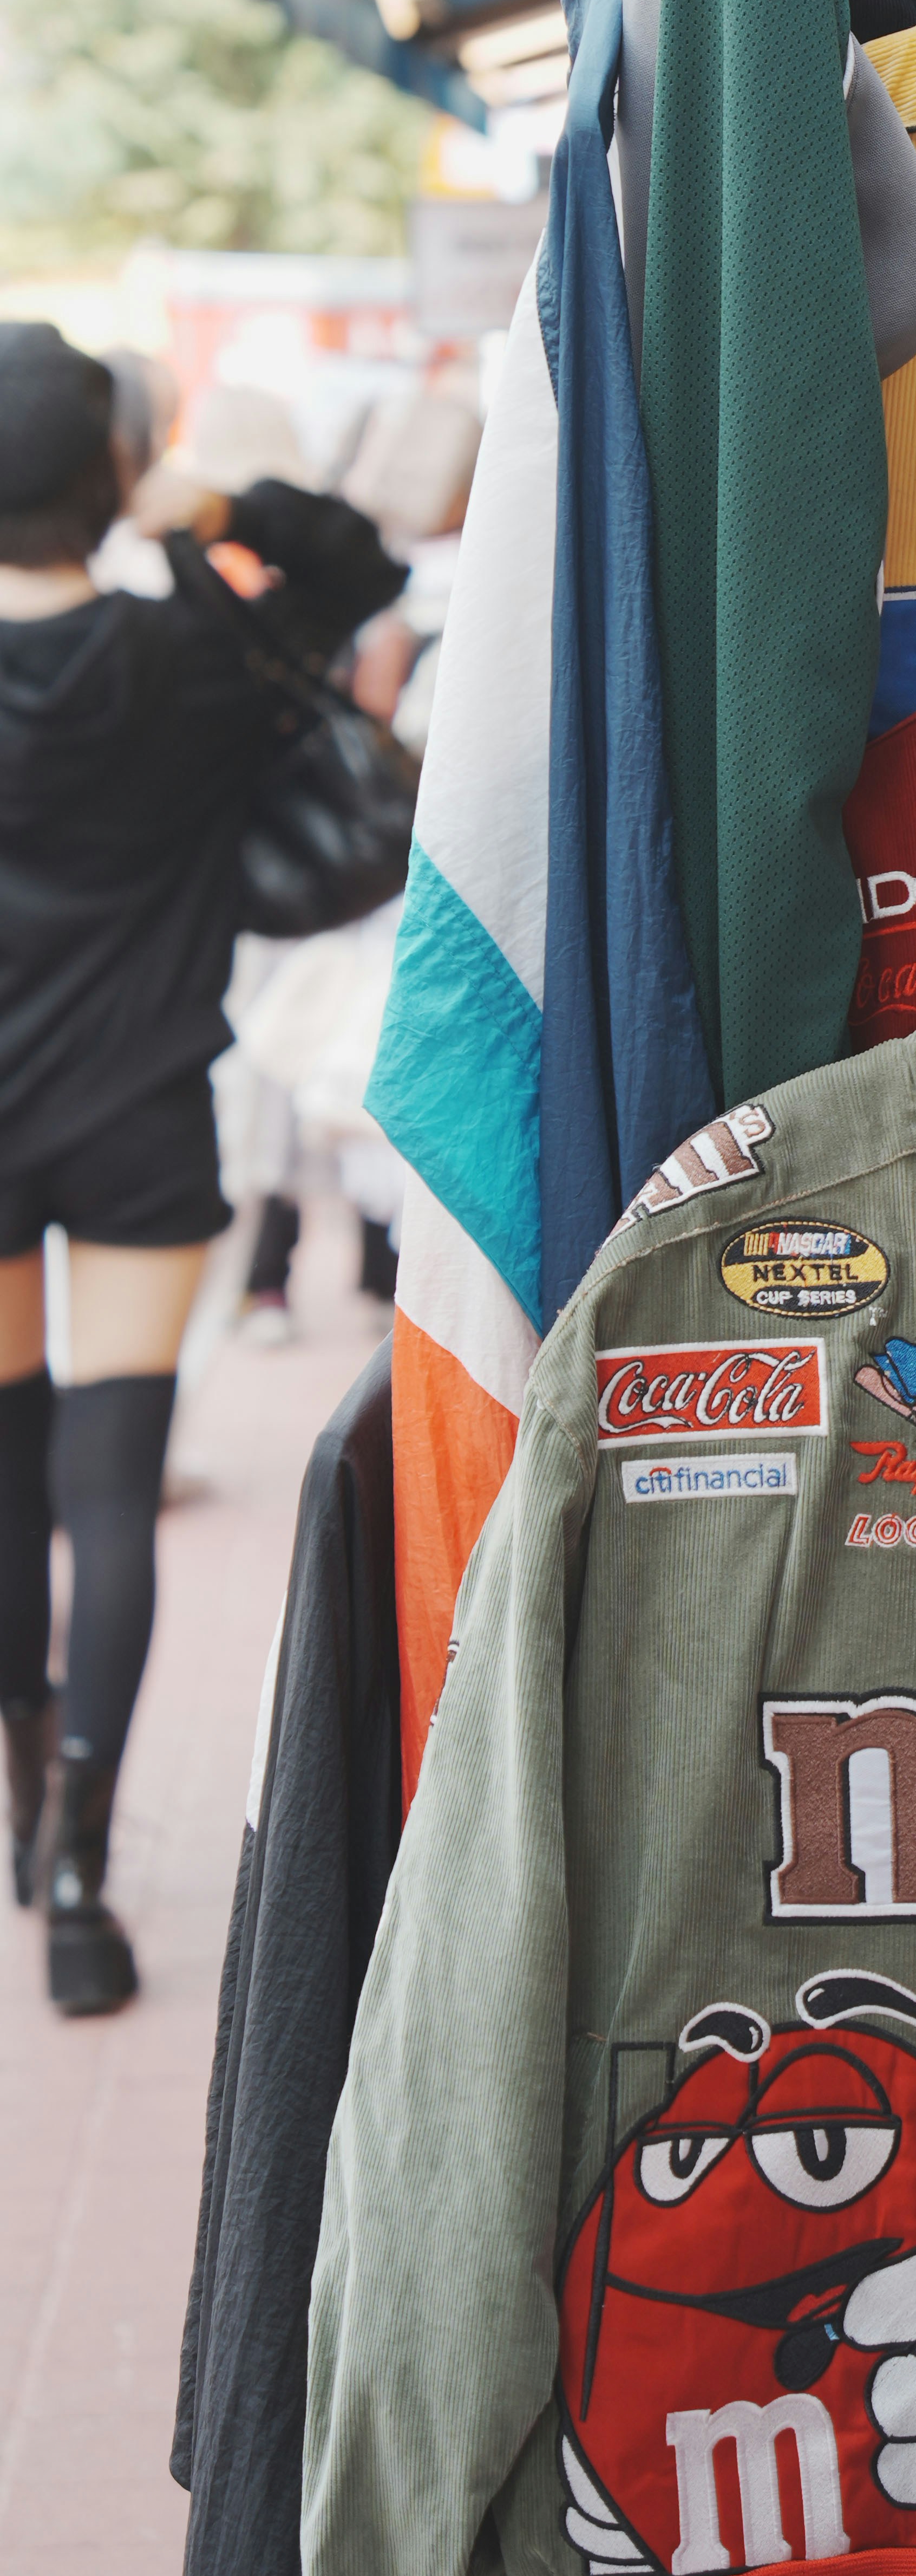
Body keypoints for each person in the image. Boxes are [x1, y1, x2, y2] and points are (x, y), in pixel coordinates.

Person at [0, 323, 405, 2015]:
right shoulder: (192, 650)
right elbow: (364, 570)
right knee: (115, 1478)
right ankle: (83, 1868)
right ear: (107, 466)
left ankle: (28, 1801)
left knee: (14, 1470)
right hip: (149, 1108)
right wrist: (208, 494)